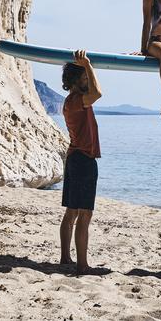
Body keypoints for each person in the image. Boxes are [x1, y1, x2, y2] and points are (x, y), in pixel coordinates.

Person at [59, 50, 102, 274]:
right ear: (76, 82)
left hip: (76, 159)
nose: (88, 81)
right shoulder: (77, 101)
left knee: (72, 212)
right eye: (84, 78)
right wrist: (88, 65)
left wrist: (86, 66)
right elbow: (99, 93)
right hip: (83, 160)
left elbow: (94, 93)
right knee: (84, 214)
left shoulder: (73, 101)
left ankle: (65, 257)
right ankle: (82, 264)